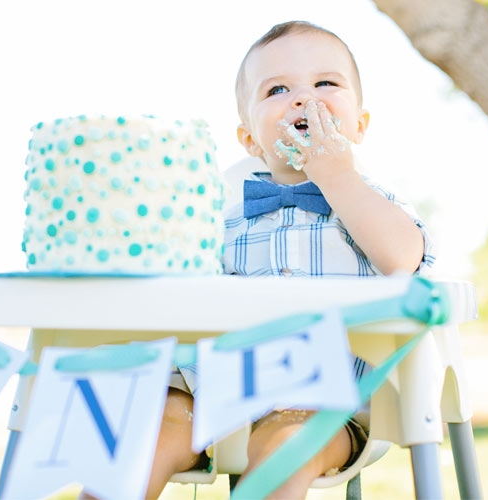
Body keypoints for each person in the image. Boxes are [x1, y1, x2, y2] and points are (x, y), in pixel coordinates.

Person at [81, 19, 434, 500]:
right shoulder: (214, 213)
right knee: (143, 436)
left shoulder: (373, 203)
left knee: (285, 446)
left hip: (325, 403)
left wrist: (338, 178)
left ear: (359, 125)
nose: (303, 98)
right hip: (205, 392)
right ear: (249, 140)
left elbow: (404, 258)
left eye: (325, 83)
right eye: (278, 89)